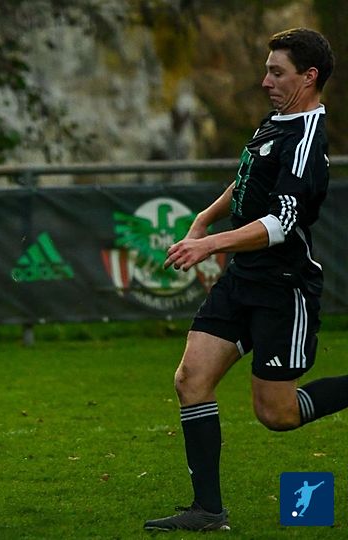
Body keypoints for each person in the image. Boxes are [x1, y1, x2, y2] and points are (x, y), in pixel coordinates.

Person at [144, 28, 347, 532]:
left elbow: (281, 224)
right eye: (267, 70)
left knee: (277, 414)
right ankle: (207, 511)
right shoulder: (276, 120)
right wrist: (204, 220)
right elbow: (246, 177)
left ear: (309, 77)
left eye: (277, 72)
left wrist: (209, 245)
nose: (265, 81)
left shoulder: (306, 141)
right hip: (243, 278)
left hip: (283, 287)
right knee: (191, 380)